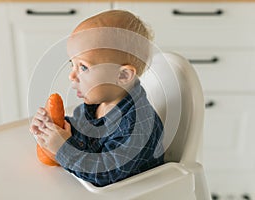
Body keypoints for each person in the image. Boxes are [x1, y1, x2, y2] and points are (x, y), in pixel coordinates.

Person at [29, 10, 164, 187]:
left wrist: (64, 149)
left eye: (83, 67)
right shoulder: (99, 102)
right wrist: (54, 128)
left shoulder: (139, 127)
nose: (71, 75)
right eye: (73, 64)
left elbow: (105, 173)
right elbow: (85, 139)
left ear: (123, 76)